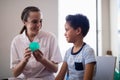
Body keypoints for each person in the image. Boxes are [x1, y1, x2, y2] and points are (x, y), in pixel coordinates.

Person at [10, 6, 62, 79]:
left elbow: (55, 69)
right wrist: (24, 61)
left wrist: (42, 59)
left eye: (40, 21)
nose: (38, 25)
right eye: (34, 21)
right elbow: (15, 73)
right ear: (24, 22)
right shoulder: (16, 41)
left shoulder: (50, 38)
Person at [55, 14, 96, 80]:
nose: (64, 34)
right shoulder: (68, 52)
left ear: (78, 31)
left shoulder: (88, 51)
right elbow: (60, 76)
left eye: (67, 30)